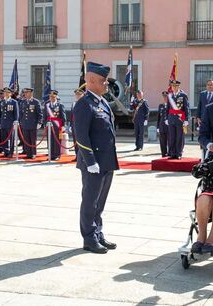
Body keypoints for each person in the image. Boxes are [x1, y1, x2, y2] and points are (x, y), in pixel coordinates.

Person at [73, 61, 119, 254]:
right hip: (94, 163)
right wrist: (90, 161)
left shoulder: (102, 103)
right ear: (91, 80)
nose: (107, 84)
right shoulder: (84, 104)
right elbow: (81, 135)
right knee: (90, 201)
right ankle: (89, 238)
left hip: (107, 160)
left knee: (100, 202)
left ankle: (98, 233)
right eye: (103, 80)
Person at [166, 80, 189, 159]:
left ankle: (179, 153)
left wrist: (186, 119)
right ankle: (172, 153)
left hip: (180, 118)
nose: (174, 87)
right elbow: (168, 107)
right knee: (172, 136)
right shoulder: (170, 96)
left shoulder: (183, 95)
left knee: (179, 137)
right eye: (173, 86)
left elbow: (186, 108)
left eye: (176, 86)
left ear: (178, 86)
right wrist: (166, 118)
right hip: (171, 118)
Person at [19, 88, 43, 159]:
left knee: (33, 140)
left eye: (27, 93)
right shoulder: (23, 102)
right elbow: (21, 113)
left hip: (33, 124)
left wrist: (39, 122)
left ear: (31, 93)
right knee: (26, 139)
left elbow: (40, 113)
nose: (25, 94)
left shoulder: (36, 102)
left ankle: (33, 153)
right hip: (25, 124)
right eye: (25, 93)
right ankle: (28, 153)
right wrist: (21, 121)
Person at [44, 90, 66, 160]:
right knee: (50, 140)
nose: (52, 98)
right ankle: (51, 155)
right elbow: (45, 116)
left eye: (53, 97)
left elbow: (63, 116)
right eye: (50, 97)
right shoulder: (47, 105)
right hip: (49, 125)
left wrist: (63, 126)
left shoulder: (60, 105)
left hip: (58, 126)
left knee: (57, 141)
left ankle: (57, 155)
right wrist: (45, 124)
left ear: (56, 96)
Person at [0, 87, 19, 158]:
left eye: (7, 92)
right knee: (4, 138)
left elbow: (16, 113)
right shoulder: (2, 102)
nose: (5, 94)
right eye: (4, 92)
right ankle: (6, 151)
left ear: (10, 94)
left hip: (11, 123)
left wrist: (16, 121)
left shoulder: (14, 102)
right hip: (3, 123)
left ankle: (11, 152)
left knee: (11, 139)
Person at [71, 88, 85, 161]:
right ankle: (77, 156)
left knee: (82, 142)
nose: (78, 96)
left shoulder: (85, 103)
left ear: (83, 95)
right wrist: (70, 125)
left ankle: (83, 157)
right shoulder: (74, 103)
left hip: (82, 126)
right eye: (77, 94)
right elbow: (72, 115)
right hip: (74, 125)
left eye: (79, 94)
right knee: (75, 142)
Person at [157, 91, 169, 157]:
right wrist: (157, 127)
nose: (165, 98)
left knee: (170, 142)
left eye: (166, 97)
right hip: (162, 127)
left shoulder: (170, 106)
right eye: (164, 97)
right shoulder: (160, 106)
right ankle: (163, 154)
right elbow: (158, 117)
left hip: (168, 127)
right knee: (162, 142)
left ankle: (170, 154)